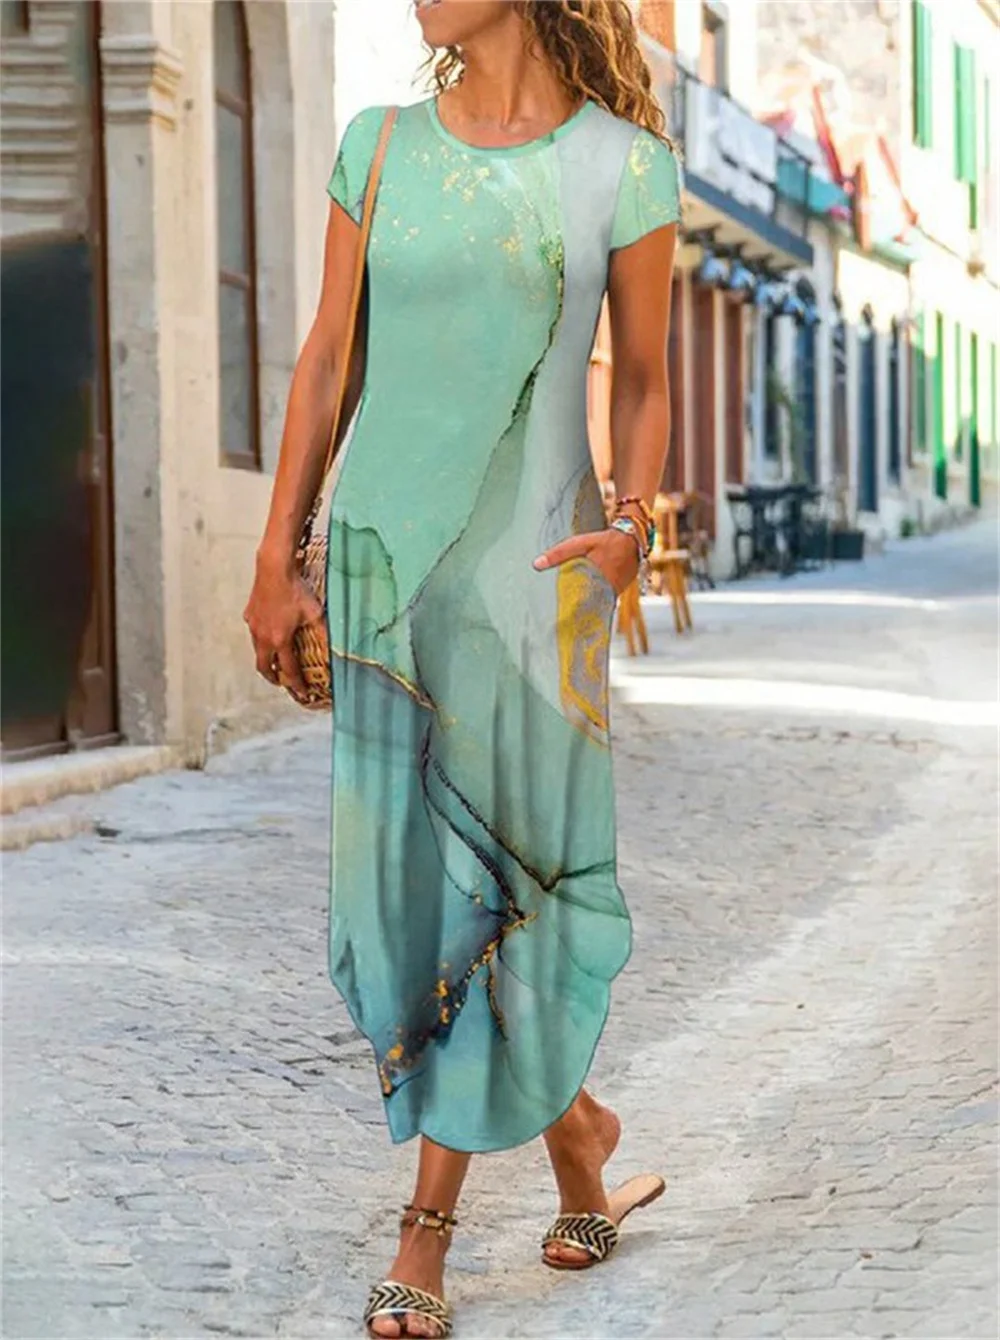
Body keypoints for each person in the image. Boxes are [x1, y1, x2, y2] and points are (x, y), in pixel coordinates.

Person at [244, 2, 680, 1334]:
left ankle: (424, 1234)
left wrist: (635, 525)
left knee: (507, 877)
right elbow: (329, 362)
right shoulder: (378, 148)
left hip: (539, 578)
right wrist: (279, 554)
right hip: (385, 570)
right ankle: (580, 1138)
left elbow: (646, 379)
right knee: (413, 885)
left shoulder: (623, 166)